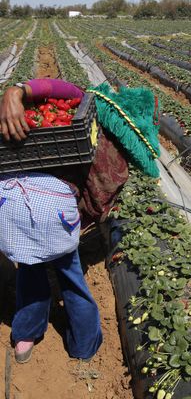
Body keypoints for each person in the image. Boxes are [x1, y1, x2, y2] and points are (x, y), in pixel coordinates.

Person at [0, 79, 130, 364]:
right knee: (70, 276)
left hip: (13, 211)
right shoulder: (68, 109)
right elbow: (61, 91)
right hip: (56, 208)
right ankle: (84, 345)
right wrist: (17, 91)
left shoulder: (6, 126)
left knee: (30, 270)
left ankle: (25, 336)